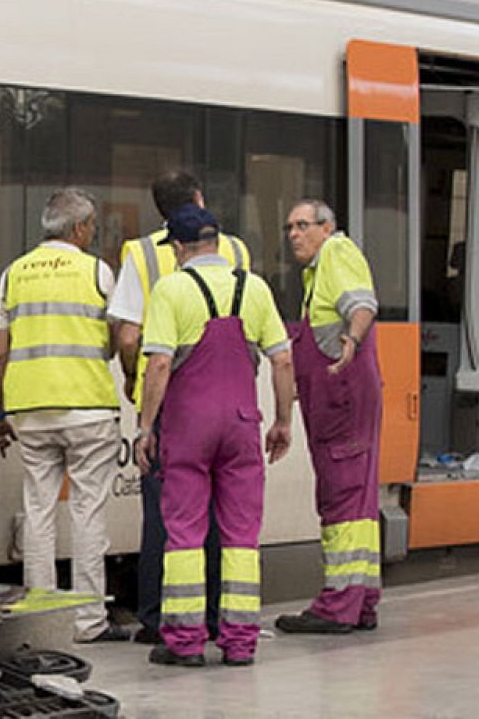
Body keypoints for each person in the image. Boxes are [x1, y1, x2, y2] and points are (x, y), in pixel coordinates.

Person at [133, 204, 295, 667]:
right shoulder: (255, 287)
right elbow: (282, 360)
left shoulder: (172, 289)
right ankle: (240, 641)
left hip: (188, 428)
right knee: (241, 533)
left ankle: (185, 642)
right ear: (218, 244)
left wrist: (145, 427)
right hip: (243, 424)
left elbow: (160, 364)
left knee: (184, 531)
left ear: (180, 248)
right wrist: (283, 421)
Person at [109, 170, 252, 644]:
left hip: (173, 403)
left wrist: (136, 381)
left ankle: (159, 618)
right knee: (223, 514)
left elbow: (130, 337)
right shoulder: (238, 252)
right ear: (200, 200)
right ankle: (217, 618)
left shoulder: (143, 253)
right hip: (233, 402)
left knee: (168, 515)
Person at [0, 188, 129, 643]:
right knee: (88, 515)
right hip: (87, 407)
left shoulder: (13, 274)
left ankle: (39, 620)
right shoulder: (97, 272)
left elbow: (0, 353)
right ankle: (88, 623)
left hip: (29, 411)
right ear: (82, 228)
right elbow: (116, 338)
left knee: (39, 511)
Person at [275, 199, 384, 634]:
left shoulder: (337, 253)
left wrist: (351, 340)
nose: (294, 235)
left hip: (343, 402)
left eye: (303, 225)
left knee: (344, 500)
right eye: (289, 228)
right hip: (337, 402)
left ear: (326, 228)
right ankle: (362, 601)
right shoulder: (315, 274)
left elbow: (361, 305)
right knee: (357, 501)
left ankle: (338, 605)